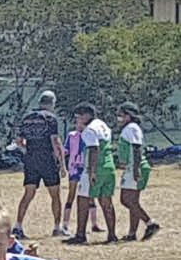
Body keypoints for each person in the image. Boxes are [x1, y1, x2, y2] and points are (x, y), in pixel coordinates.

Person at [14, 89, 65, 238]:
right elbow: (55, 141)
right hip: (47, 159)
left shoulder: (27, 118)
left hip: (31, 159)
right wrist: (62, 164)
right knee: (55, 194)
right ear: (52, 103)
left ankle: (18, 226)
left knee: (28, 193)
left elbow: (19, 141)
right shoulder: (51, 118)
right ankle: (57, 227)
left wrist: (28, 149)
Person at [67, 102, 117, 245]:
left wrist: (92, 171)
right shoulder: (103, 125)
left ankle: (80, 234)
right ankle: (112, 235)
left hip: (95, 168)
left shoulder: (89, 130)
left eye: (79, 117)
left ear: (86, 115)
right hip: (109, 167)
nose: (78, 120)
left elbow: (94, 149)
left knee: (82, 199)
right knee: (106, 201)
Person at [116, 102, 160, 240]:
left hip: (136, 166)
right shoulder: (129, 128)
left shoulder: (131, 128)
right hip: (132, 167)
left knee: (126, 200)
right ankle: (132, 233)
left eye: (121, 115)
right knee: (133, 201)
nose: (119, 118)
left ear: (129, 116)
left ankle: (150, 223)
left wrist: (136, 170)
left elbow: (136, 148)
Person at [57, 108, 102, 237]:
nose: (79, 125)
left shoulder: (89, 134)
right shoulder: (72, 136)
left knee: (90, 196)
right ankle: (65, 224)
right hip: (75, 168)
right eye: (77, 123)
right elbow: (66, 150)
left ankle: (94, 224)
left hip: (86, 168)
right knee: (71, 194)